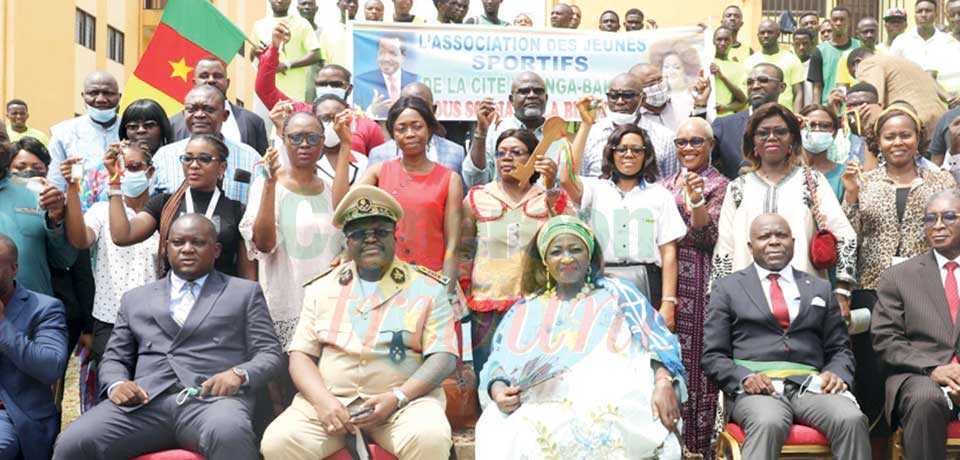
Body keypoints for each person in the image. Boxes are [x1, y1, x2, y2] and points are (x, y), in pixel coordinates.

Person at [53, 213, 284, 460]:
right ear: (166, 248)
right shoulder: (135, 298)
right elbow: (114, 358)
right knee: (73, 441)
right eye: (178, 243)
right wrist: (118, 384)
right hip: (144, 403)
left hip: (212, 402)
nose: (187, 249)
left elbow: (270, 353)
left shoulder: (243, 293)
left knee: (229, 434)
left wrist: (238, 374)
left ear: (216, 250)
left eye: (197, 242)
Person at [260, 185, 458, 460]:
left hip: (404, 404)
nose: (371, 240)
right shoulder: (321, 287)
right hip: (332, 403)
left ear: (395, 236)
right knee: (278, 442)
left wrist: (398, 397)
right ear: (346, 242)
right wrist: (323, 401)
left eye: (380, 232)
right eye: (360, 234)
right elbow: (301, 355)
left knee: (429, 437)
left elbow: (444, 357)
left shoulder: (427, 287)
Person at [475, 215, 687, 459]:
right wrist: (498, 389)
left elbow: (658, 342)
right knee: (500, 427)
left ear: (589, 257)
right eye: (556, 251)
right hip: (538, 399)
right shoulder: (526, 308)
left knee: (598, 419)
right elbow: (499, 361)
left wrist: (662, 382)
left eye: (576, 250)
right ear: (545, 260)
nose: (567, 258)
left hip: (615, 390)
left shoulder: (620, 295)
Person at [702, 213, 870, 460]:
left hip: (810, 386)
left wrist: (838, 373)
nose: (773, 241)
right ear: (750, 247)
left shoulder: (819, 288)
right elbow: (713, 355)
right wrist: (745, 377)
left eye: (780, 235)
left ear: (793, 241)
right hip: (758, 388)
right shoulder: (728, 288)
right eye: (764, 236)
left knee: (851, 418)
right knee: (768, 422)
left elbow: (839, 349)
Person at [711, 103, 858, 317]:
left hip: (806, 300)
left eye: (780, 131)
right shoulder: (738, 187)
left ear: (792, 139)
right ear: (753, 140)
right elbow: (724, 248)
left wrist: (842, 293)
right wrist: (718, 301)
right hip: (746, 302)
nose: (772, 137)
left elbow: (845, 235)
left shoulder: (812, 181)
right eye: (763, 132)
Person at [458, 128, 568, 375]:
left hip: (537, 302)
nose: (506, 158)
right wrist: (462, 293)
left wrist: (552, 189)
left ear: (533, 159)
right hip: (487, 303)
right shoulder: (477, 197)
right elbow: (463, 251)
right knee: (488, 374)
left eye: (516, 152)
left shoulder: (547, 198)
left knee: (532, 376)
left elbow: (570, 237)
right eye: (501, 153)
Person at [240, 111, 351, 348]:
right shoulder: (267, 184)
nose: (304, 145)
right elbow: (264, 244)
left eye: (312, 139)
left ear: (322, 143)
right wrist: (270, 184)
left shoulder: (330, 188)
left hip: (327, 308)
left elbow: (344, 231)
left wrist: (346, 145)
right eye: (296, 138)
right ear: (283, 138)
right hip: (284, 305)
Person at [562, 113, 687, 323]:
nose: (629, 154)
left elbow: (669, 253)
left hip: (647, 281)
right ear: (611, 154)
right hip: (601, 280)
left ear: (645, 155)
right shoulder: (595, 189)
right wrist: (585, 124)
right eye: (622, 149)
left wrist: (668, 302)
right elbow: (566, 178)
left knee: (644, 350)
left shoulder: (660, 195)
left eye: (636, 150)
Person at [871, 189, 960, 460]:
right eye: (930, 219)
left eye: (948, 217)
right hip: (921, 376)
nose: (939, 225)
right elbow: (886, 339)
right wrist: (933, 368)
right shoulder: (898, 277)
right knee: (925, 400)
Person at [661, 117, 729, 457]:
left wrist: (697, 200)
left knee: (697, 363)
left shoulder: (721, 184)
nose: (687, 148)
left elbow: (707, 236)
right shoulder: (661, 183)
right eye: (681, 142)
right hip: (663, 277)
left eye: (695, 142)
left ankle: (698, 445)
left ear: (711, 146)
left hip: (700, 277)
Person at [842, 104, 958, 293]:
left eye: (905, 136)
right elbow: (849, 237)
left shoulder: (941, 180)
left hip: (929, 285)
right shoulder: (864, 182)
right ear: (878, 142)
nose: (898, 142)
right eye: (889, 137)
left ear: (917, 139)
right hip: (874, 285)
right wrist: (851, 196)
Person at [61, 142, 159, 363]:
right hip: (110, 318)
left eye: (134, 167)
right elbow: (79, 239)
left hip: (155, 320)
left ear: (150, 171)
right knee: (114, 388)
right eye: (120, 167)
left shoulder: (163, 211)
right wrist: (71, 187)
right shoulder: (102, 210)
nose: (125, 174)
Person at [109, 134, 256, 280]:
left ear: (222, 167)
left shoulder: (236, 210)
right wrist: (115, 181)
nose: (194, 165)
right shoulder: (164, 204)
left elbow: (247, 274)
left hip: (222, 297)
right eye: (188, 158)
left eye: (204, 159)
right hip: (175, 298)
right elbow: (122, 236)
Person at [359, 96, 463, 279]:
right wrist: (345, 147)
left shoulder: (449, 179)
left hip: (431, 279)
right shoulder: (378, 172)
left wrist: (446, 292)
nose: (410, 134)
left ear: (430, 129)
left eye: (417, 126)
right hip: (386, 278)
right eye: (401, 128)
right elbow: (344, 208)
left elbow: (452, 244)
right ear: (392, 133)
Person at [255, 24, 386, 155]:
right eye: (322, 84)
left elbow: (378, 167)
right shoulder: (298, 112)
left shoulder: (366, 126)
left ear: (349, 88)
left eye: (335, 84)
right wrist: (274, 48)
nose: (328, 88)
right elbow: (265, 90)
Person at [0, 234, 68, 460]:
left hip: (12, 414)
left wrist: (3, 326)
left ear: (14, 268)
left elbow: (51, 367)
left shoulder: (44, 309)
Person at [153, 85, 261, 205]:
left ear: (225, 115)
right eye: (192, 109)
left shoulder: (251, 158)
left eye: (208, 110)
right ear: (184, 114)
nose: (199, 115)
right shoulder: (163, 157)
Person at [0, 143, 76, 297]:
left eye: (1, 136)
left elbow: (64, 260)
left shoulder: (38, 192)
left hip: (30, 312)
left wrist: (56, 221)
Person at [464, 72, 558, 188]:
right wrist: (481, 133)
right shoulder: (495, 130)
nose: (532, 95)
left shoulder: (559, 135)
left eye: (538, 91)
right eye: (524, 92)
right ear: (511, 99)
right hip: (501, 205)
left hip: (550, 204)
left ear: (546, 98)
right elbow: (474, 179)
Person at [579, 73, 680, 179]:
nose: (620, 102)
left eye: (627, 96)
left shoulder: (665, 138)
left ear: (643, 99)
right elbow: (580, 182)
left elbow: (672, 187)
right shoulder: (590, 136)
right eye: (613, 96)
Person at [169, 57, 268, 155]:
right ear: (194, 83)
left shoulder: (253, 122)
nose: (211, 80)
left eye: (217, 76)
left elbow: (262, 165)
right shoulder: (174, 124)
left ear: (228, 83)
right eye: (204, 76)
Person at [47, 72, 120, 200]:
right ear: (83, 96)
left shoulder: (130, 129)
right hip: (78, 215)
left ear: (119, 97)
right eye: (93, 93)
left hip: (125, 214)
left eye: (108, 93)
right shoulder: (63, 133)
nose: (101, 99)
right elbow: (55, 184)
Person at [847, 48, 946, 143]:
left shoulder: (867, 64)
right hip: (941, 120)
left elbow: (874, 101)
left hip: (911, 123)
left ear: (857, 62)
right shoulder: (907, 63)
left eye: (854, 74)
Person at [368, 83, 465, 176]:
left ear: (433, 109)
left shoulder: (455, 153)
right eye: (408, 105)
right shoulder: (379, 155)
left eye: (417, 126)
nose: (410, 134)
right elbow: (363, 192)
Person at [711, 63, 787, 179]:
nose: (755, 86)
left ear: (781, 87)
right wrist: (699, 107)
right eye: (750, 82)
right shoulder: (724, 126)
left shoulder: (792, 125)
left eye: (763, 80)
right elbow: (698, 152)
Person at [251, 0, 322, 102]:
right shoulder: (259, 25)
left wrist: (287, 65)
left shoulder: (302, 24)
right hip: (264, 95)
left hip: (294, 96)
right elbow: (252, 58)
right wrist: (254, 51)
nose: (280, 1)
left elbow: (316, 54)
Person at [890, 0, 960, 94]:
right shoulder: (901, 42)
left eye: (928, 11)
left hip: (943, 101)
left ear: (936, 15)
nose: (923, 14)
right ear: (915, 15)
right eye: (919, 11)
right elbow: (891, 71)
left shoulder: (949, 41)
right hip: (911, 97)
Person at [747, 19, 805, 112]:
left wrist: (795, 116)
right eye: (762, 33)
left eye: (770, 32)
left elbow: (798, 92)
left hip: (785, 114)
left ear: (778, 35)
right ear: (758, 36)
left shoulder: (792, 59)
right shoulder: (749, 61)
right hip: (757, 115)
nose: (765, 36)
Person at [355, 35, 420, 117]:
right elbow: (355, 120)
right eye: (381, 53)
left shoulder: (415, 81)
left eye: (392, 53)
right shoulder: (361, 82)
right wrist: (372, 111)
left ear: (402, 57)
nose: (386, 59)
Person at [808, 6, 861, 105]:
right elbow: (817, 86)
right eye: (835, 20)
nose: (838, 23)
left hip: (855, 106)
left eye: (842, 19)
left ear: (849, 22)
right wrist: (816, 110)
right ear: (830, 22)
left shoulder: (859, 47)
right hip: (829, 108)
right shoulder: (820, 50)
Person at [799, 104, 845, 201]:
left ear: (834, 132)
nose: (817, 129)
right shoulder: (787, 171)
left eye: (825, 126)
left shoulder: (844, 175)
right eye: (810, 125)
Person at [833, 18, 884, 91]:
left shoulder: (884, 56)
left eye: (872, 31)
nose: (869, 35)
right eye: (865, 32)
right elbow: (842, 86)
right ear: (858, 34)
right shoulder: (847, 56)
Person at [315, 0, 360, 76]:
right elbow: (324, 60)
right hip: (336, 81)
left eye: (355, 2)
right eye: (348, 1)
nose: (352, 5)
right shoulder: (328, 31)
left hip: (360, 80)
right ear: (338, 4)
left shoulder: (362, 30)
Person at [712, 26, 748, 117]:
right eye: (719, 39)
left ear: (732, 42)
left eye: (726, 40)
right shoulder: (706, 63)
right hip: (703, 117)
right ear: (713, 41)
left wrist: (722, 77)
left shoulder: (739, 67)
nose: (723, 43)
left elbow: (743, 100)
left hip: (726, 118)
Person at [793, 28, 817, 107]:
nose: (801, 47)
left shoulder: (816, 63)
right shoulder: (790, 64)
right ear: (793, 45)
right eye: (797, 44)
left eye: (805, 43)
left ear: (812, 44)